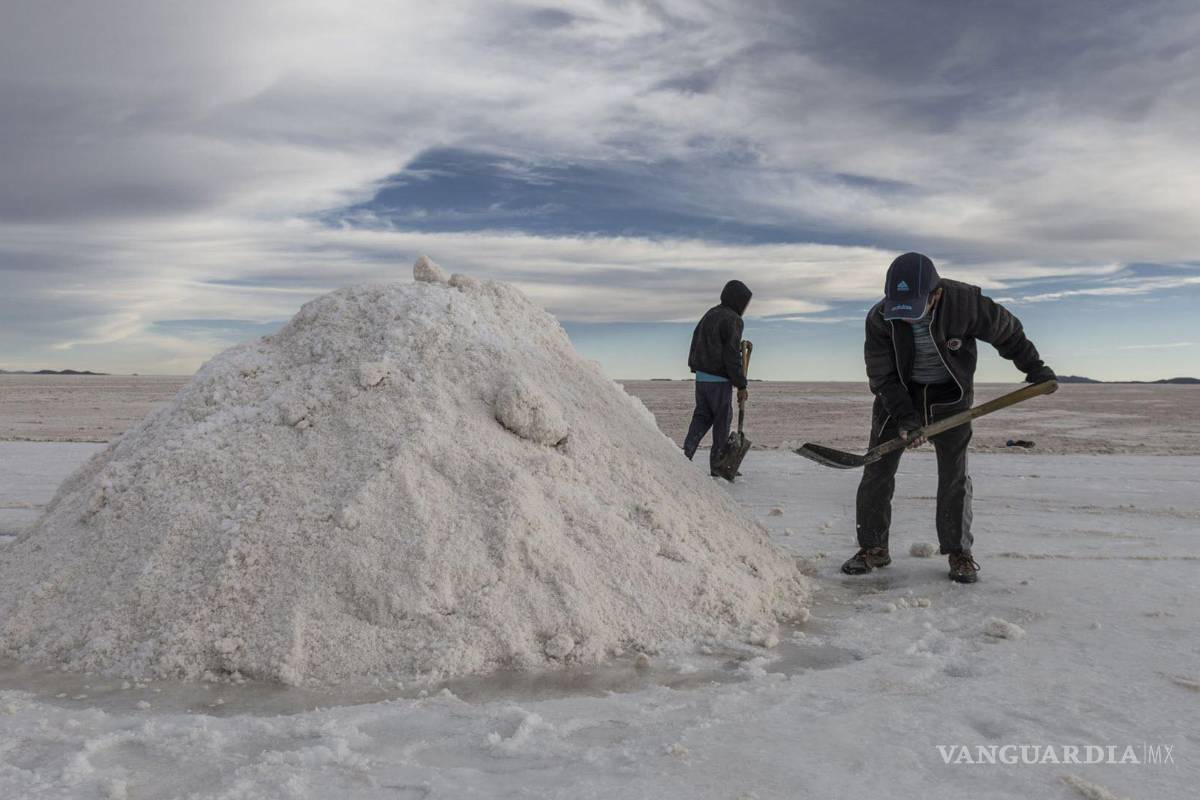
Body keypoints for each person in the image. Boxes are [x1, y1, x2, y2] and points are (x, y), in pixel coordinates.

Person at [842, 253, 1056, 583]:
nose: (907, 318)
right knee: (877, 471)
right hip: (899, 396)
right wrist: (905, 418)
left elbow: (1008, 333)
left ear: (936, 294)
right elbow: (882, 376)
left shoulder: (966, 304)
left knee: (954, 476)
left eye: (915, 308)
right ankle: (873, 547)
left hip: (950, 398)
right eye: (900, 309)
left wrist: (1034, 368)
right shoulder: (880, 317)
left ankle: (959, 552)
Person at [684, 280, 752, 477]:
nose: (745, 307)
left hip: (701, 378)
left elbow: (695, 341)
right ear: (738, 300)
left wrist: (695, 367)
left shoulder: (710, 314)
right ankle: (718, 465)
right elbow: (731, 355)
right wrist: (741, 384)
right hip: (719, 380)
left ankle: (685, 455)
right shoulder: (733, 319)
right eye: (745, 303)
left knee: (701, 417)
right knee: (722, 420)